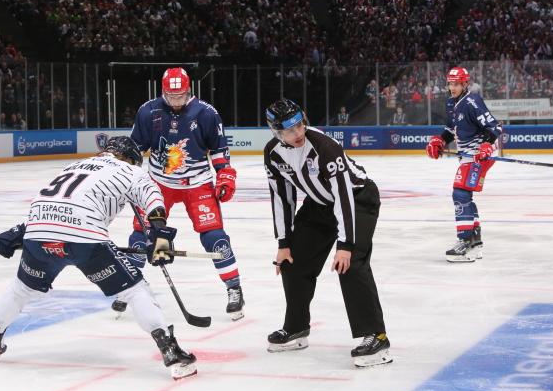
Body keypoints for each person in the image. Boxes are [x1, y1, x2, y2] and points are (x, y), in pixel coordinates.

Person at [0, 136, 197, 379]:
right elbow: (153, 201)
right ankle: (171, 351)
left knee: (21, 289)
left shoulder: (75, 165)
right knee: (134, 289)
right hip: (85, 237)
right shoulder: (132, 171)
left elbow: (56, 203)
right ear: (131, 158)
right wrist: (160, 235)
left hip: (39, 233)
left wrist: (17, 232)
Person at [263, 98, 391, 368]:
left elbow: (344, 196)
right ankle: (296, 328)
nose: (297, 134)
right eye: (289, 130)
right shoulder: (273, 153)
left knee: (351, 263)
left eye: (299, 126)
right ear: (276, 132)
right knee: (292, 261)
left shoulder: (325, 147)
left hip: (357, 200)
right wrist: (284, 242)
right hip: (320, 205)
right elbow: (282, 198)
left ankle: (376, 337)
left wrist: (345, 245)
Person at [112, 67, 244, 320]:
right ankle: (127, 287)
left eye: (180, 96)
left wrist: (225, 175)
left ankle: (234, 288)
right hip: (158, 184)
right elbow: (135, 150)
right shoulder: (147, 111)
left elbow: (218, 150)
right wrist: (126, 175)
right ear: (163, 92)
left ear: (188, 91)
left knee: (214, 237)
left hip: (198, 184)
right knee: (142, 234)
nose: (175, 101)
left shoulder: (206, 113)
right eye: (171, 96)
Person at [425, 67, 503, 262]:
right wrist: (441, 141)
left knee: (460, 192)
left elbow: (495, 127)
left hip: (480, 155)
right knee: (464, 193)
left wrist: (486, 145)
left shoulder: (472, 101)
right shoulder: (452, 102)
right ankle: (475, 243)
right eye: (450, 83)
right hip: (468, 156)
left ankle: (466, 241)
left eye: (457, 84)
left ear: (465, 84)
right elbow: (452, 128)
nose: (453, 87)